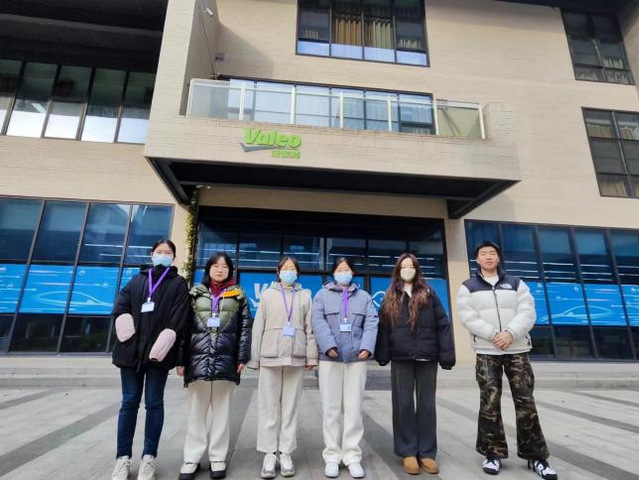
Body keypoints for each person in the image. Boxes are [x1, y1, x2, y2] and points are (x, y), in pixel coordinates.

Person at [457, 241, 557, 480]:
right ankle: (493, 453)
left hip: (517, 349)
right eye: (483, 254)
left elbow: (528, 312)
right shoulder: (468, 286)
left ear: (498, 258)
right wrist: (494, 335)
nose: (488, 257)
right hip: (487, 350)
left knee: (525, 401)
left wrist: (510, 333)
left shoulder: (516, 283)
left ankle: (536, 456)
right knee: (489, 402)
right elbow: (467, 317)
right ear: (477, 260)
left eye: (492, 253)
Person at [111, 239, 190, 480]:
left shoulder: (178, 284)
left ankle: (149, 457)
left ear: (173, 257)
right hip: (131, 353)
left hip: (158, 354)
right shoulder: (137, 280)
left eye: (168, 252)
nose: (163, 255)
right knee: (129, 402)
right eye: (159, 252)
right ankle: (122, 458)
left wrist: (168, 340)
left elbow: (180, 316)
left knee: (154, 403)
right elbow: (120, 306)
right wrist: (126, 331)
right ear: (152, 254)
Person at [375, 253, 455, 475]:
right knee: (403, 405)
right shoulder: (391, 296)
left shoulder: (429, 293)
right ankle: (408, 451)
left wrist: (447, 354)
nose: (407, 270)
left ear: (417, 270)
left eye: (411, 266)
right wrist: (382, 354)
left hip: (427, 356)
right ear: (398, 270)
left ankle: (427, 452)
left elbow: (443, 324)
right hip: (401, 357)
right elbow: (384, 327)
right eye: (403, 266)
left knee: (427, 405)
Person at [178, 252, 253, 480]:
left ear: (230, 271)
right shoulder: (195, 293)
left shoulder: (238, 295)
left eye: (224, 266)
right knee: (196, 413)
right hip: (197, 361)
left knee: (221, 413)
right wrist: (181, 359)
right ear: (208, 269)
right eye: (216, 266)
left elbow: (245, 328)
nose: (220, 270)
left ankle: (217, 457)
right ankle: (191, 458)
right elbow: (184, 328)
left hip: (225, 361)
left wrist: (242, 357)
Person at [248, 256, 318, 478]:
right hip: (270, 357)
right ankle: (269, 453)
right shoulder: (267, 295)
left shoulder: (305, 296)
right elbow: (258, 327)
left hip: (296, 357)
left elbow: (310, 328)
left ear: (297, 272)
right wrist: (254, 358)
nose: (289, 271)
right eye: (285, 268)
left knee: (290, 408)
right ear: (278, 272)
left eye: (292, 268)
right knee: (268, 407)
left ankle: (286, 452)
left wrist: (311, 356)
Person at [312, 257, 378, 479]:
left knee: (353, 409)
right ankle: (332, 456)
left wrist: (367, 347)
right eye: (339, 269)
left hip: (356, 360)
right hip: (330, 359)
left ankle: (352, 456)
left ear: (353, 273)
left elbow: (371, 323)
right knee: (330, 410)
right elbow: (317, 322)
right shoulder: (321, 295)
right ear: (333, 273)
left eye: (347, 269)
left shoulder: (364, 297)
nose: (343, 273)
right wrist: (328, 345)